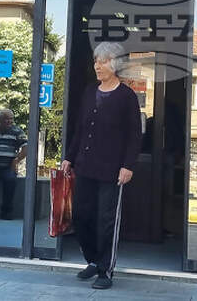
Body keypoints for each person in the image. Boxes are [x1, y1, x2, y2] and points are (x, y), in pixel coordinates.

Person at [60, 42, 142, 290]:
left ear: (114, 64)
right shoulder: (89, 92)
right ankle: (93, 260)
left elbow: (134, 135)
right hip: (85, 166)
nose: (97, 65)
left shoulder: (127, 96)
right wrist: (69, 157)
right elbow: (80, 129)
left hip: (112, 170)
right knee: (81, 216)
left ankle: (105, 270)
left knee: (107, 221)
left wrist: (128, 165)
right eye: (96, 61)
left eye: (103, 61)